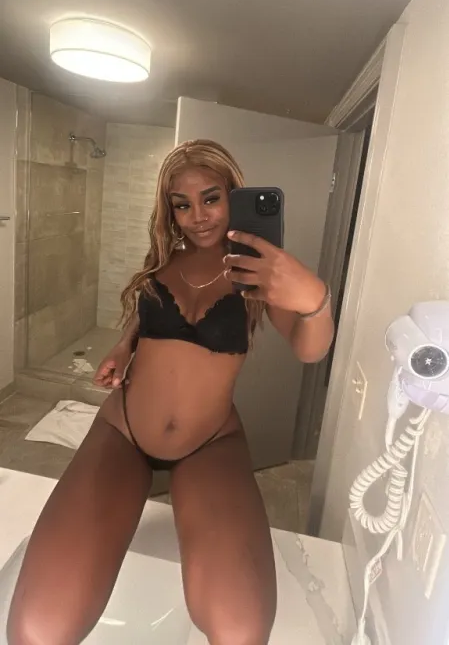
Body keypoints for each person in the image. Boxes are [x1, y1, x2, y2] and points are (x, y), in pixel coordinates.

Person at [7, 139, 334, 645]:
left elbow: (309, 349)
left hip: (210, 440)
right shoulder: (163, 261)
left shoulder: (256, 272)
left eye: (211, 198)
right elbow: (147, 318)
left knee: (240, 630)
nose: (197, 216)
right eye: (182, 205)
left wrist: (316, 300)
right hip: (124, 429)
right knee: (37, 628)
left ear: (233, 195)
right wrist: (123, 347)